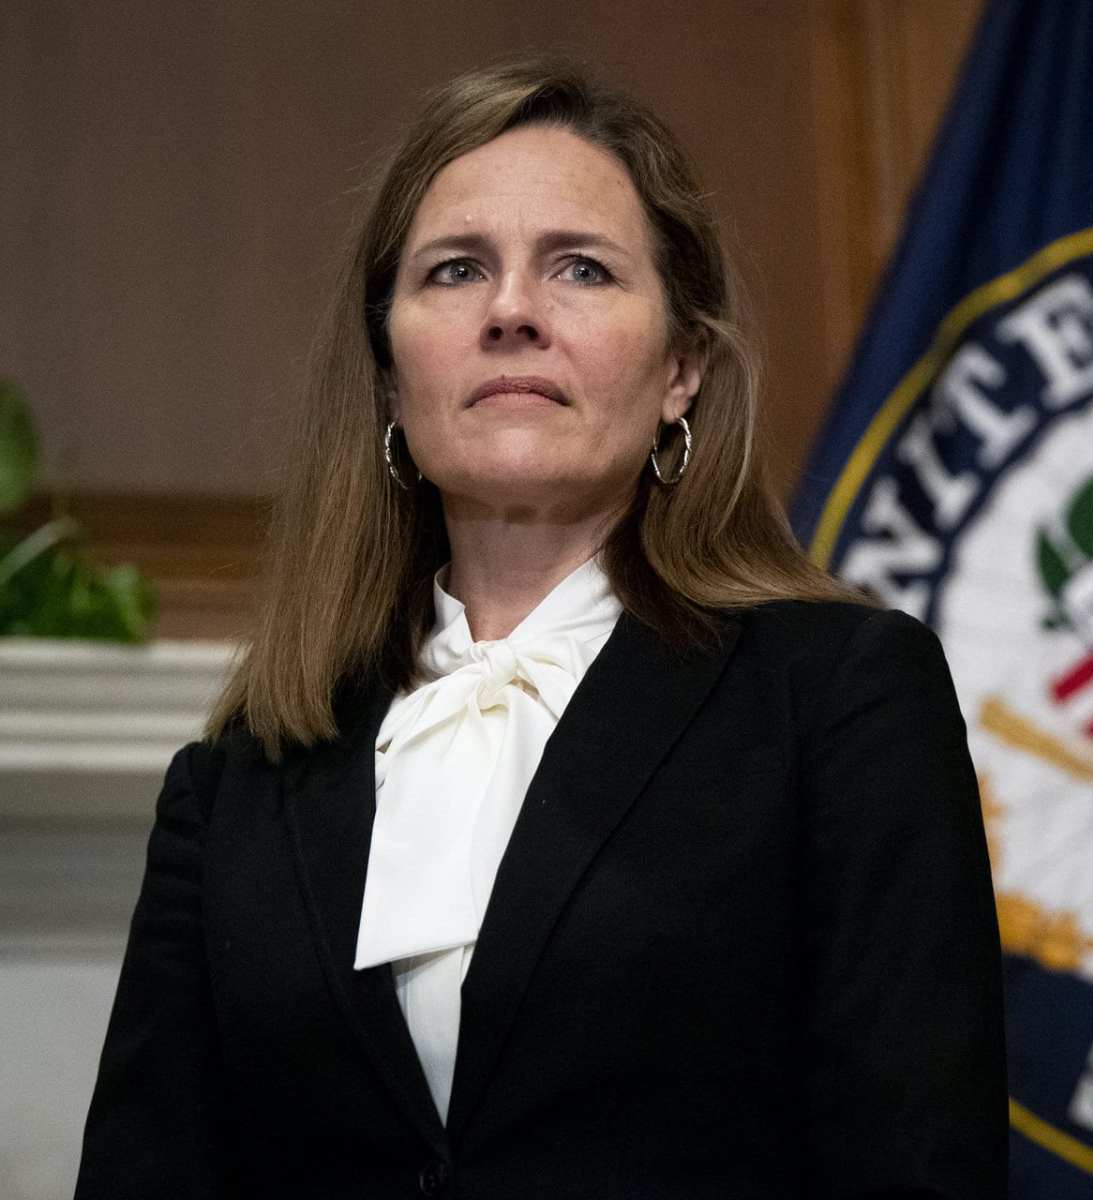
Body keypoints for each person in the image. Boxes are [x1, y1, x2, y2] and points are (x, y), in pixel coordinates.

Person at [74, 58, 1006, 1198]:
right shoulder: (236, 784)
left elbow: (919, 1166)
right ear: (387, 377)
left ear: (681, 369)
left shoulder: (844, 698)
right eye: (457, 270)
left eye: (581, 268)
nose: (511, 311)